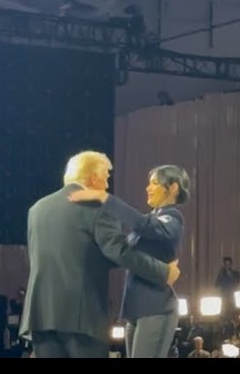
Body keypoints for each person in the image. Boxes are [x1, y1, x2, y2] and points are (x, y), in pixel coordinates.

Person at [19, 151, 180, 358]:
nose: (106, 186)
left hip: (40, 316)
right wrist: (163, 271)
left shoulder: (37, 210)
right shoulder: (97, 207)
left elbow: (70, 256)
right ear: (93, 178)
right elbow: (118, 251)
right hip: (81, 318)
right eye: (105, 178)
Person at [69, 164, 190, 359]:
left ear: (173, 187)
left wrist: (105, 198)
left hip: (156, 308)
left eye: (155, 183)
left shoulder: (172, 217)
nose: (147, 188)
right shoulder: (151, 218)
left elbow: (144, 225)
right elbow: (122, 253)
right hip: (135, 310)